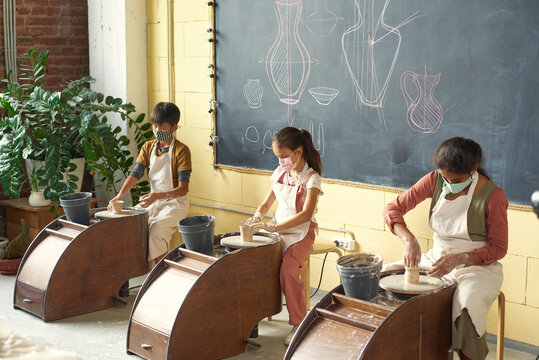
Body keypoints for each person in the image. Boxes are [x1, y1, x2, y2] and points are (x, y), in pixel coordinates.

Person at [383, 137, 508, 360]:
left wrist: (460, 259)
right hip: (435, 258)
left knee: (466, 308)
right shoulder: (434, 180)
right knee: (384, 276)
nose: (449, 183)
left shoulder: (493, 196)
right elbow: (393, 208)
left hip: (477, 267)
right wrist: (409, 240)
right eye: (445, 176)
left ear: (474, 168)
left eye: (457, 179)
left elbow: (499, 248)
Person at [245, 127, 323, 346]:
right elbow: (266, 202)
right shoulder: (280, 174)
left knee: (288, 271)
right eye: (277, 157)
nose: (280, 161)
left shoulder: (311, 178)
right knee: (254, 263)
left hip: (301, 233)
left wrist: (275, 228)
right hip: (277, 228)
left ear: (298, 152)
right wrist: (258, 216)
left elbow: (306, 214)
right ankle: (252, 318)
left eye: (283, 156)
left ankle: (298, 323)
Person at [108, 102, 191, 263]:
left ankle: (160, 276)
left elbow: (183, 189)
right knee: (132, 225)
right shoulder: (148, 147)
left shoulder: (181, 151)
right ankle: (136, 271)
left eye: (163, 128)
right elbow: (135, 174)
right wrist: (119, 196)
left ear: (174, 128)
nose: (157, 131)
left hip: (175, 204)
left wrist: (157, 196)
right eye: (155, 126)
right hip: (153, 201)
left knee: (156, 233)